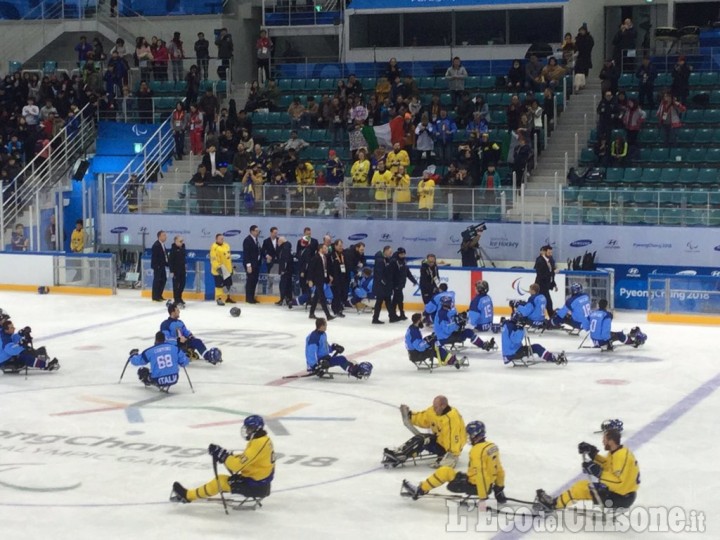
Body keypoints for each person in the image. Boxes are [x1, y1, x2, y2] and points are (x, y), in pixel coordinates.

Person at [171, 415, 274, 504]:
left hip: (255, 485)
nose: (246, 431)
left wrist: (223, 456)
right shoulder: (263, 440)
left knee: (220, 481)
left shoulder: (258, 444)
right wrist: (227, 455)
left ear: (256, 429)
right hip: (258, 482)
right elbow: (248, 459)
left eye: (249, 429)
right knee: (222, 479)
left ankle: (187, 496)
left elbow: (236, 466)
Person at [534, 427, 639, 513]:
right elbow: (607, 465)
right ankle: (556, 502)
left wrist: (598, 472)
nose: (603, 442)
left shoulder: (621, 456)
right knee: (582, 485)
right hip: (621, 494)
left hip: (620, 498)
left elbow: (619, 482)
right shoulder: (617, 452)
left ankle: (552, 505)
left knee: (581, 488)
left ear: (611, 441)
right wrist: (593, 454)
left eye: (605, 439)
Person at [402, 420, 506, 503]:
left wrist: (482, 498)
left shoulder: (476, 450)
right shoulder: (492, 447)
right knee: (454, 473)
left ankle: (420, 490)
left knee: (445, 471)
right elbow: (499, 470)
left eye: (469, 435)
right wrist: (499, 490)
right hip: (486, 485)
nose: (468, 437)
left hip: (476, 487)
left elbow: (480, 474)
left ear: (475, 435)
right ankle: (421, 489)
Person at [383, 396, 466, 468]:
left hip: (447, 449)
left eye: (436, 407)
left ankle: (401, 456)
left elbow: (456, 441)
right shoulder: (434, 411)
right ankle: (399, 453)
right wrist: (409, 415)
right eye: (434, 406)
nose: (434, 409)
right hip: (439, 440)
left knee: (425, 439)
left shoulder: (451, 420)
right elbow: (423, 418)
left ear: (443, 406)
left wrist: (451, 457)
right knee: (422, 438)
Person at [305, 318, 372, 379]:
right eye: (325, 325)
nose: (326, 327)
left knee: (341, 358)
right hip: (320, 362)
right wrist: (315, 366)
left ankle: (355, 368)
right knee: (340, 359)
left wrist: (333, 347)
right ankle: (355, 371)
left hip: (325, 358)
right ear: (321, 326)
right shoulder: (314, 337)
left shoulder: (322, 334)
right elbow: (310, 353)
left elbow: (324, 348)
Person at [501, 313, 567, 366]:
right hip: (513, 353)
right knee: (537, 347)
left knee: (534, 348)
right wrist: (521, 328)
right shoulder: (511, 326)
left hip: (509, 353)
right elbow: (516, 339)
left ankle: (552, 357)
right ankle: (554, 358)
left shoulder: (508, 325)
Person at [307, 243, 334, 320]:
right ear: (320, 249)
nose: (326, 250)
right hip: (317, 280)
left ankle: (311, 313)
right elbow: (311, 269)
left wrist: (328, 276)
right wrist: (310, 280)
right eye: (325, 248)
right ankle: (328, 315)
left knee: (316, 297)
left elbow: (325, 269)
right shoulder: (315, 258)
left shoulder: (324, 257)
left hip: (322, 279)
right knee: (322, 298)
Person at [390, 247, 417, 321]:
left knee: (398, 299)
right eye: (401, 254)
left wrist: (413, 280)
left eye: (404, 254)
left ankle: (399, 314)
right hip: (396, 284)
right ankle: (393, 315)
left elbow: (407, 272)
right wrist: (393, 284)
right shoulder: (394, 261)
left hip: (401, 284)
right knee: (397, 300)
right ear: (398, 254)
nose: (403, 255)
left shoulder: (403, 261)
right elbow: (391, 274)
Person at [210, 233, 236, 306]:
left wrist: (231, 267)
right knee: (219, 285)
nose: (222, 240)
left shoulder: (226, 245)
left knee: (228, 284)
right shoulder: (214, 247)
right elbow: (213, 260)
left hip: (227, 269)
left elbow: (228, 257)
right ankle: (219, 299)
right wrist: (218, 268)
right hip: (219, 270)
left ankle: (228, 297)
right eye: (220, 238)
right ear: (216, 239)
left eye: (223, 238)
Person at [372, 245, 394, 324]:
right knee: (379, 301)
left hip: (384, 285)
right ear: (385, 251)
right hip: (380, 286)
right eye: (390, 252)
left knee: (387, 300)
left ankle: (392, 316)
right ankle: (375, 318)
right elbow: (379, 273)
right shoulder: (380, 260)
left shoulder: (385, 259)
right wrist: (383, 281)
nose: (391, 254)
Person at [533, 244, 557, 315]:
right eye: (549, 253)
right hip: (540, 286)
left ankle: (551, 319)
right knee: (548, 303)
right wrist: (552, 272)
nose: (550, 254)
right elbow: (541, 274)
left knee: (548, 303)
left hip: (546, 286)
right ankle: (552, 319)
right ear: (545, 252)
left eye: (551, 253)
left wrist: (554, 283)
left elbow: (551, 273)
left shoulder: (551, 260)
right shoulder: (539, 261)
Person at [419, 253, 440, 324]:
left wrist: (437, 286)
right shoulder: (423, 268)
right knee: (428, 303)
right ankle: (426, 317)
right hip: (425, 288)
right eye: (430, 262)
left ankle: (429, 317)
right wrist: (432, 288)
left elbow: (437, 277)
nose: (431, 263)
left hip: (434, 287)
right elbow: (424, 281)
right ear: (427, 260)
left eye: (433, 262)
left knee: (434, 303)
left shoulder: (435, 267)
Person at [243, 225, 261, 304]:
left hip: (256, 264)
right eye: (256, 231)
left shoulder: (256, 240)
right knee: (250, 281)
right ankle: (248, 298)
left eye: (258, 231)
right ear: (252, 231)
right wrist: (248, 265)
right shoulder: (247, 240)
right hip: (250, 265)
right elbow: (246, 254)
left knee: (254, 281)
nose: (258, 232)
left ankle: (252, 297)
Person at [329, 239, 348, 318]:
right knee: (336, 294)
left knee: (341, 294)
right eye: (339, 246)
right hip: (334, 278)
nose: (341, 247)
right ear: (335, 246)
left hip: (342, 277)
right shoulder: (331, 255)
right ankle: (336, 310)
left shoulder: (343, 254)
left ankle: (338, 309)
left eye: (342, 246)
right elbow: (329, 266)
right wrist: (330, 276)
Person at [168, 235, 187, 307]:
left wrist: (185, 266)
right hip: (175, 270)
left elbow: (184, 258)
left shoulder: (183, 248)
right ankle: (176, 299)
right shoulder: (173, 250)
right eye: (180, 241)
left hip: (182, 270)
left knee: (182, 284)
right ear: (176, 241)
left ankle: (180, 297)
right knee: (176, 285)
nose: (182, 242)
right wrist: (171, 271)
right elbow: (170, 261)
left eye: (182, 241)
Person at [151, 231, 169, 302]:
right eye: (164, 235)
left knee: (163, 279)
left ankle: (159, 295)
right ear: (159, 237)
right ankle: (155, 296)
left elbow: (164, 255)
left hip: (162, 266)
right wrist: (157, 265)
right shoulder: (156, 245)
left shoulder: (162, 244)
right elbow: (155, 257)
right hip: (158, 266)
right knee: (157, 280)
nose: (165, 237)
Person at [277, 236, 294, 308]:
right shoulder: (285, 246)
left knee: (284, 285)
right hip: (287, 270)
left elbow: (285, 259)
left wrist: (283, 270)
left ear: (281, 241)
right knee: (286, 284)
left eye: (278, 242)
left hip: (286, 271)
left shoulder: (286, 247)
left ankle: (284, 298)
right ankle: (286, 299)